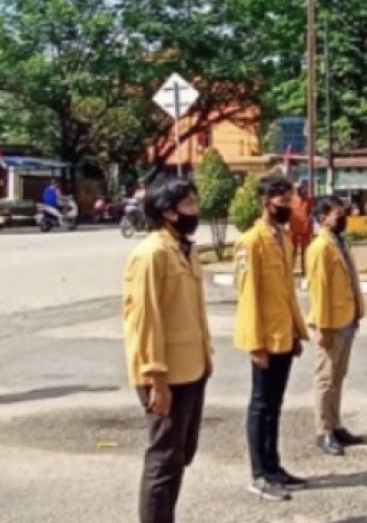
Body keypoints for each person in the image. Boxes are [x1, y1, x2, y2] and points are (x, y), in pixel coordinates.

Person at [123, 177, 213, 523]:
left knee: (179, 455)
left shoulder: (183, 249)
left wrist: (206, 358)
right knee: (163, 459)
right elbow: (144, 320)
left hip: (191, 368)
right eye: (189, 204)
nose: (196, 210)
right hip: (165, 373)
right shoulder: (151, 254)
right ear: (167, 211)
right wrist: (155, 378)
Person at [234, 175, 309, 502]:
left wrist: (296, 330)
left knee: (275, 406)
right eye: (283, 202)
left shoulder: (283, 237)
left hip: (283, 334)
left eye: (290, 201)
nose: (288, 207)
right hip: (263, 338)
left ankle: (274, 466)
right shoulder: (251, 242)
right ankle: (259, 474)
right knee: (260, 405)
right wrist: (255, 344)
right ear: (266, 203)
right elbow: (247, 296)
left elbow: (287, 293)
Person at [305, 196, 366, 457]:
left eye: (342, 213)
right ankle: (323, 430)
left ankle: (336, 424)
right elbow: (318, 291)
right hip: (331, 323)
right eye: (336, 214)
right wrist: (323, 328)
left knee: (338, 377)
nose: (342, 218)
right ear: (323, 218)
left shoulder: (338, 242)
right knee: (326, 379)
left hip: (347, 318)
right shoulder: (320, 248)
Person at [289, 180, 314, 276]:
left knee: (306, 251)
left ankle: (305, 270)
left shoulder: (308, 200)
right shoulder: (292, 199)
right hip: (293, 229)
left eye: (303, 188)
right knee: (292, 251)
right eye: (299, 188)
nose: (301, 190)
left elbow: (311, 213)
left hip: (305, 230)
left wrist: (309, 224)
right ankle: (290, 269)